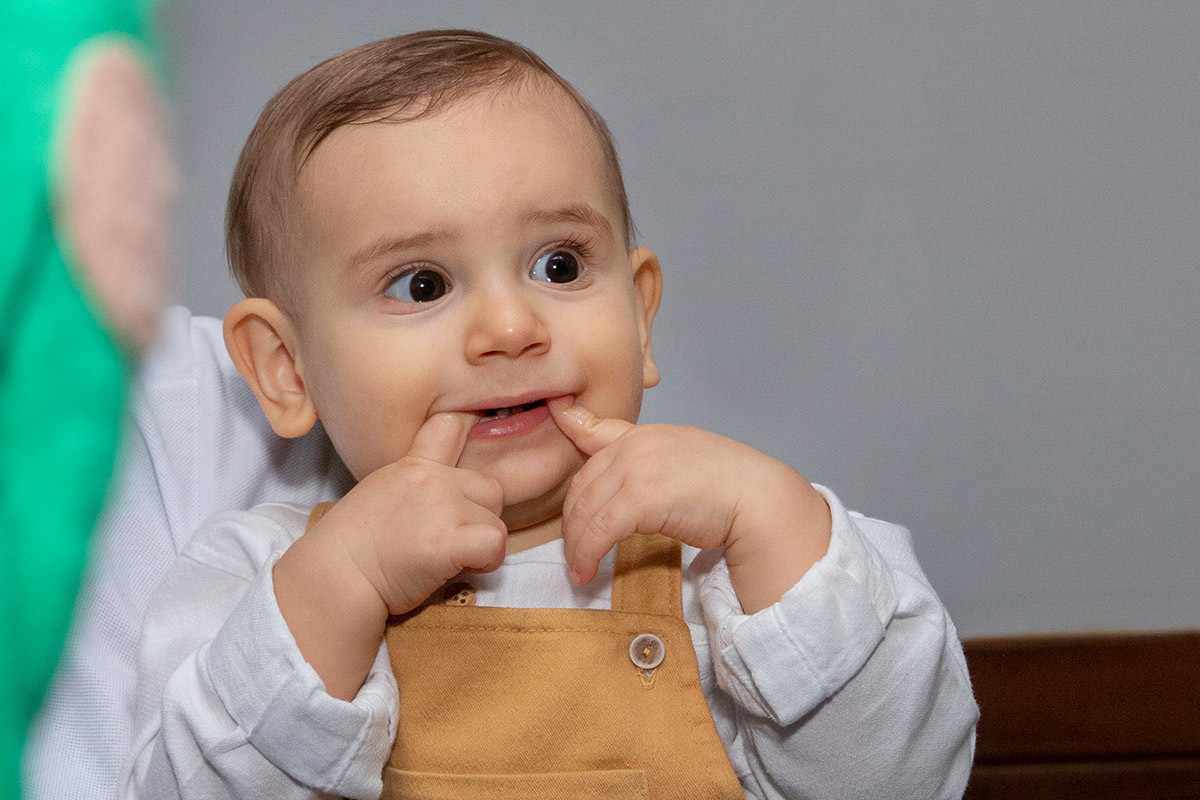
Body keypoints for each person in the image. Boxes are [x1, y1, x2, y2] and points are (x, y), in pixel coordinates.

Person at [38, 29, 976, 800]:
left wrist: (778, 524)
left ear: (640, 314)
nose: (511, 326)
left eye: (559, 266)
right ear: (286, 370)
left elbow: (907, 777)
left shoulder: (719, 569)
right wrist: (339, 590)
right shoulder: (252, 578)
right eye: (422, 283)